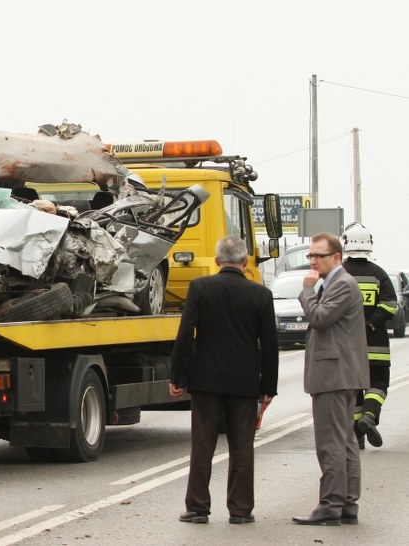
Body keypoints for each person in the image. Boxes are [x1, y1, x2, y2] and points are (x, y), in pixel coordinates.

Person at [169, 236, 279, 525]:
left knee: (202, 445)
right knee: (242, 446)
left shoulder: (201, 287)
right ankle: (241, 510)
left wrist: (178, 376)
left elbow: (185, 333)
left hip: (206, 379)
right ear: (245, 263)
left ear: (217, 261)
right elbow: (269, 344)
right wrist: (268, 387)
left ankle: (197, 508)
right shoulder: (261, 294)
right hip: (244, 382)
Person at [293, 232, 368, 526]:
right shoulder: (337, 283)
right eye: (310, 256)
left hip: (334, 376)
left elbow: (320, 317)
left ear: (336, 257)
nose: (312, 261)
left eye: (318, 256)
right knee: (345, 441)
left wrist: (307, 291)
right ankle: (347, 504)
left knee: (331, 444)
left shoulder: (342, 284)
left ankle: (330, 505)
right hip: (341, 374)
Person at [340, 222, 395, 449]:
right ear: (369, 245)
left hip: (346, 345)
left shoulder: (339, 273)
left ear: (345, 243)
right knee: (378, 383)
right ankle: (369, 417)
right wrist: (373, 322)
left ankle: (357, 436)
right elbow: (391, 305)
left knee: (353, 389)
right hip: (376, 345)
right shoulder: (378, 274)